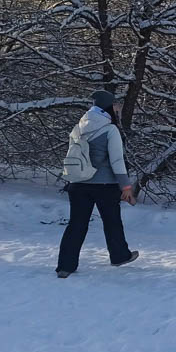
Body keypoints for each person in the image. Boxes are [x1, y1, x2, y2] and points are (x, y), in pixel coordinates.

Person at [55, 90, 139, 278]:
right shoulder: (110, 129)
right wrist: (126, 186)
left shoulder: (80, 126)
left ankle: (65, 266)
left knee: (76, 224)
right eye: (115, 105)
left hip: (78, 183)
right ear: (108, 107)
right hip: (104, 185)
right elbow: (117, 161)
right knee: (112, 222)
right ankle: (119, 256)